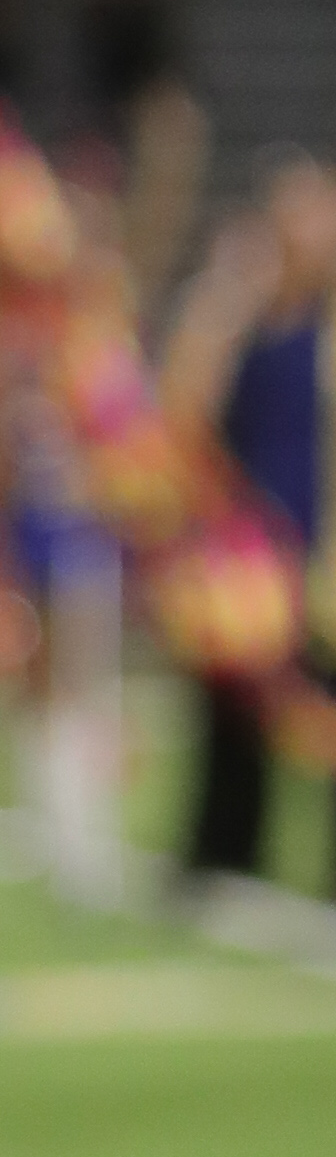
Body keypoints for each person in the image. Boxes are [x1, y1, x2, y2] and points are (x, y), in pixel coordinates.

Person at [160, 153, 336, 887]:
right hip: (244, 555)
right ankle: (226, 857)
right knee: (232, 712)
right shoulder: (248, 323)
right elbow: (181, 405)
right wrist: (225, 291)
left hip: (317, 550)